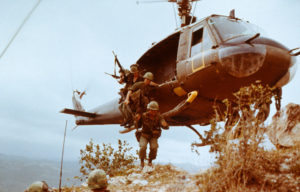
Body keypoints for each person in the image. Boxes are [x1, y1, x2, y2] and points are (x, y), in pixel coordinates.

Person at [137, 101, 169, 168]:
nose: (153, 112)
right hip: (144, 135)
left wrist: (165, 125)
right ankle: (142, 161)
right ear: (149, 110)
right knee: (143, 147)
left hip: (153, 136)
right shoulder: (143, 116)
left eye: (155, 111)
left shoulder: (159, 117)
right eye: (152, 110)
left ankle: (150, 161)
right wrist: (137, 120)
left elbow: (166, 126)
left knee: (154, 147)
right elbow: (138, 126)